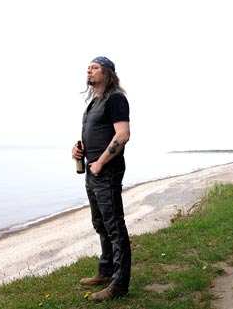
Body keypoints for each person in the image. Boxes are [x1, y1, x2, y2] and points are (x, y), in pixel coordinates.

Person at [71, 56, 131, 302]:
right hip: (92, 169)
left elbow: (123, 134)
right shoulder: (95, 101)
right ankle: (106, 271)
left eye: (94, 67)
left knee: (115, 226)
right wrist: (79, 150)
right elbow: (95, 134)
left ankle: (119, 284)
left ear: (107, 72)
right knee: (101, 223)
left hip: (105, 171)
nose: (89, 70)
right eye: (88, 67)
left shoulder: (116, 98)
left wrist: (100, 162)